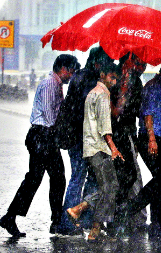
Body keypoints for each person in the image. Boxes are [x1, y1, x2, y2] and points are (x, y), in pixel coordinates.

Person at [0, 54, 80, 237]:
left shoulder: (55, 84)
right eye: (71, 71)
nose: (72, 76)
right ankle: (52, 220)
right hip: (43, 136)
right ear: (63, 69)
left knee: (47, 178)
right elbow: (50, 117)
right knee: (46, 179)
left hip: (43, 137)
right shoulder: (51, 84)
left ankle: (14, 217)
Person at [115, 59, 161, 240]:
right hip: (151, 140)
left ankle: (157, 225)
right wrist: (152, 139)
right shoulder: (154, 86)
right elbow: (148, 113)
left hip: (158, 139)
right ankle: (130, 210)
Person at [54, 46, 114, 235]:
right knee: (80, 177)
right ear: (97, 63)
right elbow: (88, 112)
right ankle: (68, 221)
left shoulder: (79, 76)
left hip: (75, 136)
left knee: (84, 177)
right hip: (81, 138)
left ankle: (80, 219)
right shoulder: (89, 81)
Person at [66, 62, 124, 242]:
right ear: (103, 75)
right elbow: (104, 126)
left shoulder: (91, 93)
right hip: (99, 148)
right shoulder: (103, 95)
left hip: (89, 147)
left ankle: (88, 221)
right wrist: (113, 148)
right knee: (111, 186)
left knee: (107, 186)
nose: (113, 81)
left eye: (115, 78)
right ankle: (91, 226)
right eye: (111, 77)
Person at [109, 53, 147, 231]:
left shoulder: (136, 81)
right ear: (128, 60)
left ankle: (125, 218)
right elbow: (114, 112)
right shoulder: (116, 77)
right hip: (114, 135)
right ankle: (118, 217)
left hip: (128, 134)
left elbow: (137, 111)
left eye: (144, 64)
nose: (142, 68)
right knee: (128, 176)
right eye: (139, 63)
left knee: (128, 176)